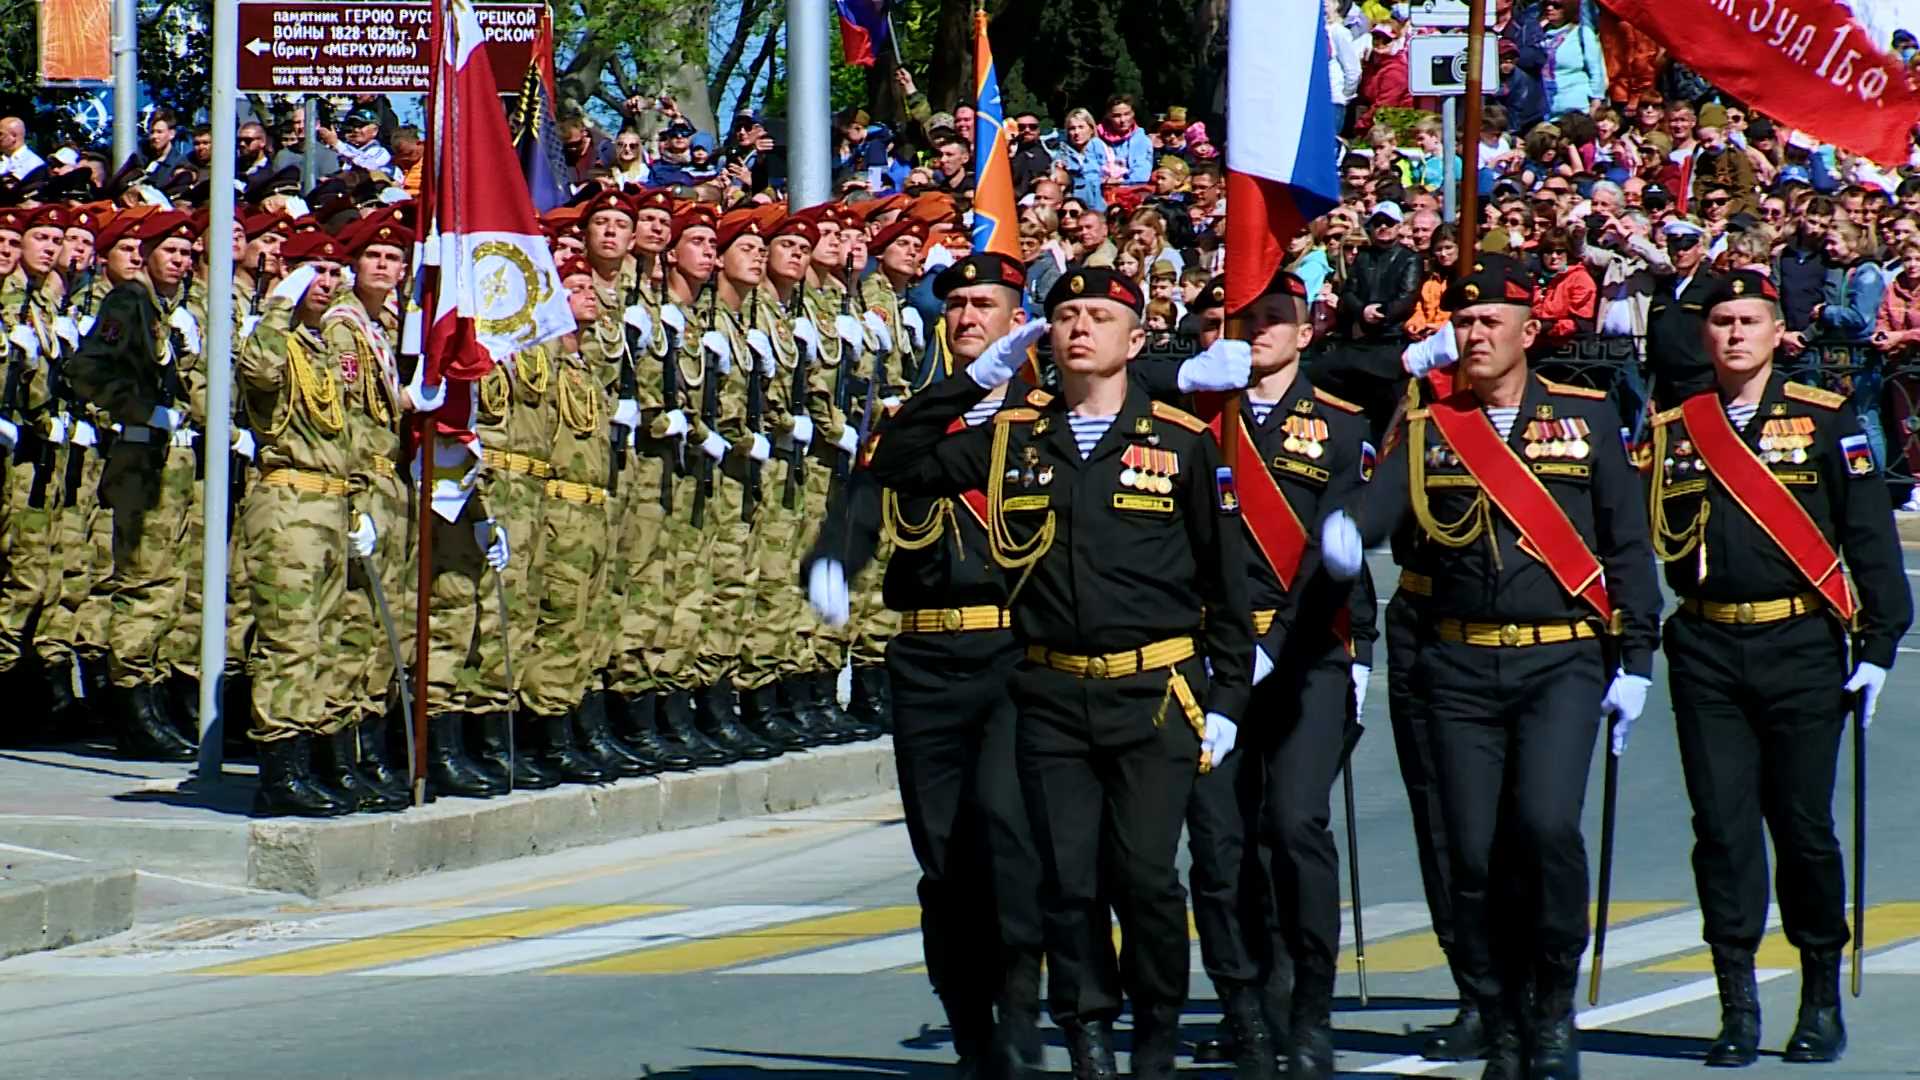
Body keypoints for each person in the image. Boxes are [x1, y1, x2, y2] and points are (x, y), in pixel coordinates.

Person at [868, 268, 1252, 1080]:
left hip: (1155, 694)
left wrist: (1228, 699)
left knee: (1146, 879)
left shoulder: (1180, 442)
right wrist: (977, 377)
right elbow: (900, 462)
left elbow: (1225, 583)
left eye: (1100, 316)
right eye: (1066, 314)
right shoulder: (1017, 437)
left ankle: (1155, 1033)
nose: (1080, 328)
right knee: (1067, 884)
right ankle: (1088, 1039)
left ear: (1135, 340)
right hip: (1050, 693)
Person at [1322, 254, 1661, 1080]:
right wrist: (1346, 527)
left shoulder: (1582, 418)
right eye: (1464, 323)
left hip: (1560, 663)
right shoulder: (1434, 426)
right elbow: (1381, 503)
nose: (1474, 335)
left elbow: (1623, 542)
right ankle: (1498, 1013)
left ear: (1527, 332)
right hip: (1457, 664)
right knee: (1469, 851)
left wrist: (1639, 657)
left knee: (1544, 829)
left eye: (1490, 323)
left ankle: (1551, 1008)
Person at [1647, 270, 1909, 1066]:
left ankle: (1820, 996)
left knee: (1802, 829)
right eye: (1721, 321)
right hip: (1707, 646)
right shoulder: (1673, 429)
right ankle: (1737, 1006)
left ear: (1776, 333)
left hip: (1800, 647)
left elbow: (1867, 535)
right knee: (1721, 832)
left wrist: (1878, 646)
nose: (1733, 334)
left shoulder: (1827, 421)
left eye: (1748, 321)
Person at [804, 251, 1047, 1079]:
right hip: (925, 655)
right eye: (956, 307)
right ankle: (971, 1031)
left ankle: (1020, 1013)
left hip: (1017, 653)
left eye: (984, 304)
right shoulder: (913, 423)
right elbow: (865, 499)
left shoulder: (1049, 418)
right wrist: (833, 560)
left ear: (1020, 319)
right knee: (944, 861)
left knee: (1009, 841)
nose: (967, 317)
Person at [1183, 271, 1377, 1080]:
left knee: (1293, 826)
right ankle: (1244, 1007)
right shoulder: (1191, 419)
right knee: (1220, 846)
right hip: (1204, 661)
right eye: (1244, 316)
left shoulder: (1340, 425)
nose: (1258, 328)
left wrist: (1343, 649)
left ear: (1306, 333)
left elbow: (1338, 556)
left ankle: (1308, 1009)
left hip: (1304, 657)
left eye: (1276, 318)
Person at [65, 211, 209, 760]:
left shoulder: (178, 310)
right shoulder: (129, 302)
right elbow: (87, 370)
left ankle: (154, 694)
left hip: (174, 460)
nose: (181, 258)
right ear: (146, 253)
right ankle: (131, 703)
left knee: (172, 586)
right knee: (145, 584)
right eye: (170, 249)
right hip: (141, 456)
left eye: (188, 251)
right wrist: (142, 411)